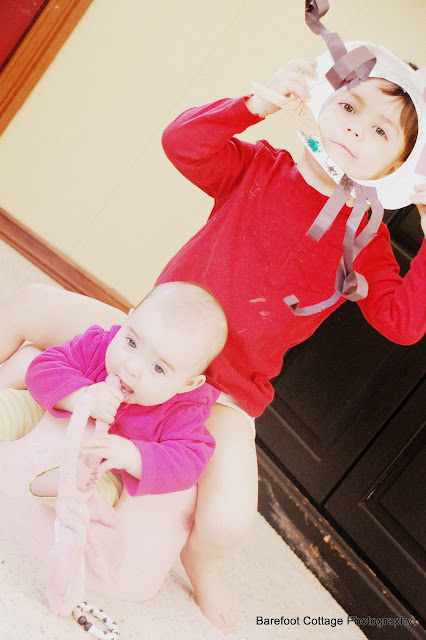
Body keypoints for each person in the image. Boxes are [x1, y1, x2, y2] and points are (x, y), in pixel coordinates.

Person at [0, 57, 425, 634]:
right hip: (140, 343)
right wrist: (255, 106)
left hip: (224, 394)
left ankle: (200, 564)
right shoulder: (258, 166)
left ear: (398, 167)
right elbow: (182, 143)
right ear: (320, 102)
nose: (355, 126)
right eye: (349, 106)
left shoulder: (364, 240)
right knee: (27, 303)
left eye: (379, 130)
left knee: (228, 519)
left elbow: (402, 322)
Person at [0, 281, 228, 500]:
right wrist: (81, 396)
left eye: (158, 368)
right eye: (132, 343)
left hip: (100, 467)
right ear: (127, 320)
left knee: (97, 494)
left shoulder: (183, 410)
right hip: (48, 419)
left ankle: (57, 490)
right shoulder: (98, 344)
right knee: (10, 404)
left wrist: (133, 456)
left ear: (188, 384)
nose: (132, 367)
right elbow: (43, 367)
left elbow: (189, 462)